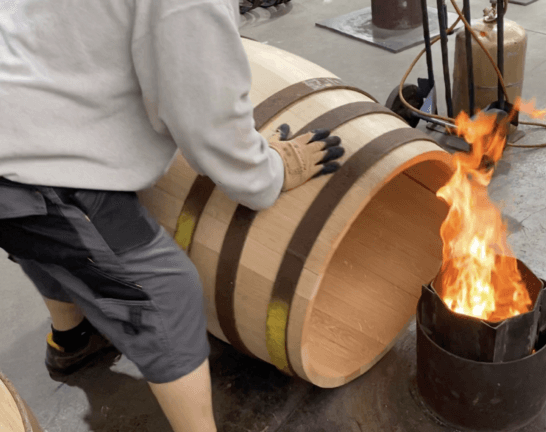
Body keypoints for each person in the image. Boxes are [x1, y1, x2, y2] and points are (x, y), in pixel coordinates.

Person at [0, 1, 344, 431]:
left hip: (15, 113)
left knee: (49, 242)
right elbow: (207, 121)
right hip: (34, 163)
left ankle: (73, 339)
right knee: (168, 293)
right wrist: (271, 171)